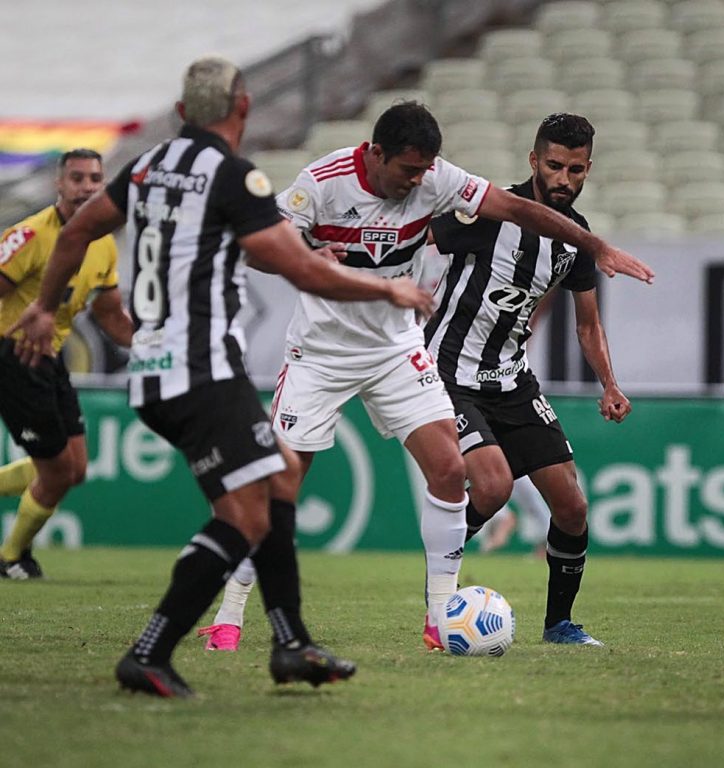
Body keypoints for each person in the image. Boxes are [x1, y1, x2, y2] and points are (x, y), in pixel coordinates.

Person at [9, 56, 436, 698]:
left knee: (279, 478)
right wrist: (384, 288)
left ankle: (290, 641)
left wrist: (43, 306)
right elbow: (299, 268)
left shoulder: (148, 167)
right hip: (200, 365)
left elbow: (79, 229)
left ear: (181, 114)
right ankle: (155, 650)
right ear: (243, 109)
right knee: (245, 514)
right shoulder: (233, 177)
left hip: (154, 371)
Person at [197, 102, 653, 654]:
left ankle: (443, 618)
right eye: (409, 171)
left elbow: (513, 215)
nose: (419, 182)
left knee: (453, 472)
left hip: (403, 350)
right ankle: (229, 616)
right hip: (327, 351)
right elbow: (259, 248)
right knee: (283, 486)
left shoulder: (441, 181)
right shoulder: (321, 183)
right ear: (376, 154)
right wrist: (307, 252)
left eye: (424, 171)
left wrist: (595, 246)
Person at [424, 112, 631, 646]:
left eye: (577, 170)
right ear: (534, 160)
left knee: (572, 506)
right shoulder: (487, 213)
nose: (565, 179)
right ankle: (438, 591)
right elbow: (420, 236)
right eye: (556, 165)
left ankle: (559, 625)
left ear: (588, 170)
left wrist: (609, 382)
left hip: (511, 381)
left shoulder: (576, 238)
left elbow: (588, 323)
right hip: (449, 372)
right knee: (491, 487)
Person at [0, 148, 133, 579]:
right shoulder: (31, 235)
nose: (87, 187)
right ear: (59, 184)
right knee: (56, 472)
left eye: (95, 178)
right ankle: (11, 557)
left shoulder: (103, 242)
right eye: (77, 178)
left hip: (49, 357)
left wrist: (153, 347)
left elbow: (111, 314)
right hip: (14, 356)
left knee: (74, 468)